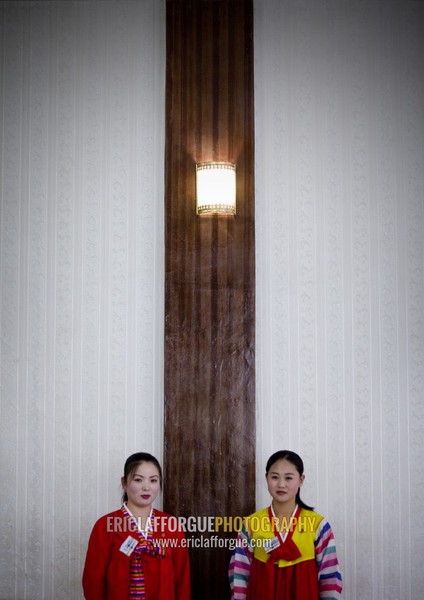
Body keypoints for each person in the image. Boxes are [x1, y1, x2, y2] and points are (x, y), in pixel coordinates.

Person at [229, 450, 342, 599]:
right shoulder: (251, 524)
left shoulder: (318, 525)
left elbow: (330, 576)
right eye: (274, 477)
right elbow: (239, 573)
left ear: (301, 480)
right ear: (266, 478)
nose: (281, 484)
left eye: (289, 478)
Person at [82, 452, 190, 599]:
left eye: (153, 480)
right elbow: (93, 582)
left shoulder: (172, 526)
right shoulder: (105, 526)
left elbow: (182, 579)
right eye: (138, 480)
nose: (146, 487)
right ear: (124, 482)